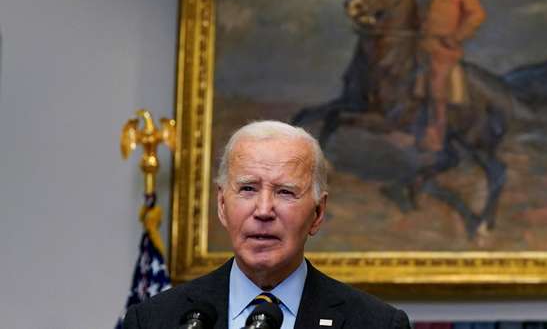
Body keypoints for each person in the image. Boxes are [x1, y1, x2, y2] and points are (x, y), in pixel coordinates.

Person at [123, 121, 410, 329]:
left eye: (285, 192)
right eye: (247, 189)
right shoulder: (154, 321)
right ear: (222, 206)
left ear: (318, 213)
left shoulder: (378, 324)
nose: (263, 210)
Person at [417, 0, 486, 152]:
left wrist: (456, 37)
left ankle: (436, 135)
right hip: (422, 46)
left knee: (437, 87)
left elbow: (477, 15)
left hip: (445, 49)